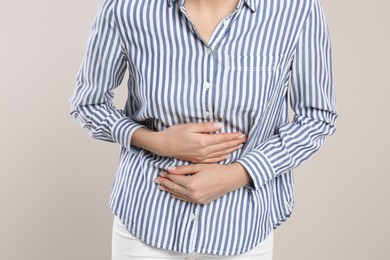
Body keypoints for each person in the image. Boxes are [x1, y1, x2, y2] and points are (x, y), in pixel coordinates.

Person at [69, 0, 338, 259]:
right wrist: (156, 141)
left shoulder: (296, 9)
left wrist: (239, 174)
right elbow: (88, 104)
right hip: (147, 216)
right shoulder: (126, 6)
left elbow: (317, 118)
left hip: (242, 221)